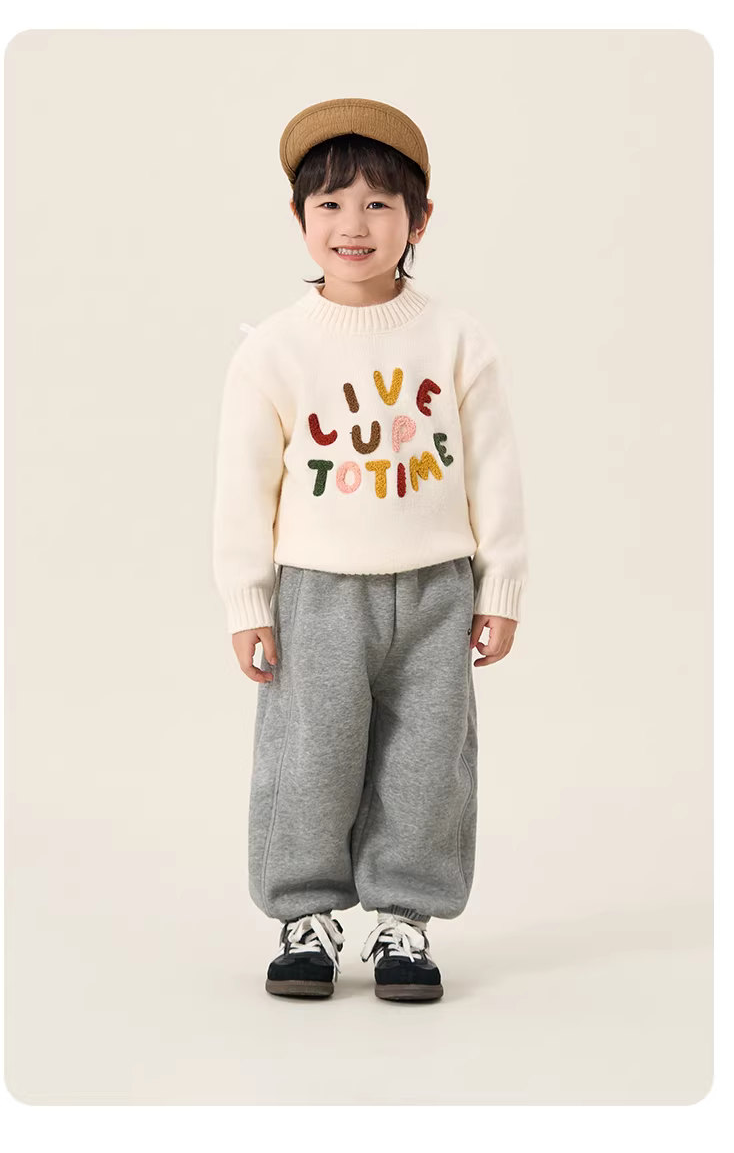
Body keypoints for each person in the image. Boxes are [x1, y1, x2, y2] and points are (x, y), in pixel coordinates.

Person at [212, 97, 528, 1003]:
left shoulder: (456, 340)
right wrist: (248, 603)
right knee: (309, 756)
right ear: (299, 218)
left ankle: (405, 920)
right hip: (317, 595)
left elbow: (495, 469)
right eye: (332, 204)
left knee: (428, 761)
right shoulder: (275, 350)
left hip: (436, 590)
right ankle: (305, 915)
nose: (354, 225)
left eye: (380, 204)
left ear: (419, 219)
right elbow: (244, 487)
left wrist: (500, 586)